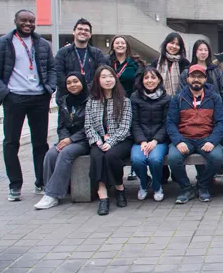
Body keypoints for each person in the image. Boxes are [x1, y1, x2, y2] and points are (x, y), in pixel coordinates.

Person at [0, 9, 57, 202]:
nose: (28, 24)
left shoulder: (43, 44)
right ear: (16, 21)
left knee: (40, 142)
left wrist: (49, 88)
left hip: (38, 98)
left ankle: (41, 181)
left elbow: (51, 68)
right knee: (11, 142)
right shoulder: (1, 44)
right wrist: (5, 93)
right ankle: (15, 185)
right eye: (24, 20)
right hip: (14, 98)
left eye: (31, 21)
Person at [167, 65, 223, 204]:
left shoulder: (214, 98)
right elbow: (170, 123)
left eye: (200, 77)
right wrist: (178, 141)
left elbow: (221, 123)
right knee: (173, 158)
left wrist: (212, 141)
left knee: (216, 158)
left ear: (205, 79)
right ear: (188, 78)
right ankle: (186, 188)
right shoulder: (178, 98)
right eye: (193, 76)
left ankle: (203, 186)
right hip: (184, 138)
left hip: (206, 138)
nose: (196, 80)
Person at [35, 72, 90, 210]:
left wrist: (71, 140)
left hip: (85, 140)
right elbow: (61, 126)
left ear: (82, 82)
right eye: (69, 82)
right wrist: (64, 139)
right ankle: (49, 190)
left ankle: (53, 195)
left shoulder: (91, 100)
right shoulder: (64, 101)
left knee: (66, 153)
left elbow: (91, 126)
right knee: (51, 154)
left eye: (76, 81)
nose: (72, 85)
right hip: (67, 139)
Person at [86, 66, 133, 216]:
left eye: (110, 76)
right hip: (99, 140)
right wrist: (97, 141)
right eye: (104, 77)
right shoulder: (91, 102)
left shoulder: (124, 101)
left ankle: (119, 188)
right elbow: (88, 126)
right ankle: (103, 197)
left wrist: (111, 141)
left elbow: (125, 128)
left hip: (121, 140)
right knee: (97, 156)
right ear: (98, 80)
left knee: (111, 155)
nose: (108, 80)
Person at [129, 67, 171, 202]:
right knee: (137, 160)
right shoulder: (135, 97)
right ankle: (143, 183)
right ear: (142, 80)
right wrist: (142, 141)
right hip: (140, 140)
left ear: (159, 80)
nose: (150, 81)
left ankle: (157, 186)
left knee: (155, 159)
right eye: (146, 78)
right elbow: (134, 122)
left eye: (153, 77)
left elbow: (167, 123)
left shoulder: (166, 98)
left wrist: (155, 141)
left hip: (159, 140)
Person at [54, 18, 108, 98]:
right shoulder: (62, 53)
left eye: (86, 30)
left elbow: (100, 74)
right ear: (74, 32)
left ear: (90, 35)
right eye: (80, 29)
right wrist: (73, 88)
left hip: (91, 97)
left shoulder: (97, 53)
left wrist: (86, 90)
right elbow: (58, 74)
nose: (83, 32)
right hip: (67, 97)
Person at [150, 32, 190, 97]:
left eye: (177, 44)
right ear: (166, 44)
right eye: (172, 43)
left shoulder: (185, 63)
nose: (174, 46)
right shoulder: (156, 62)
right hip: (159, 100)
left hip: (180, 99)